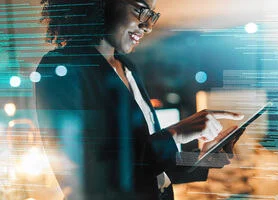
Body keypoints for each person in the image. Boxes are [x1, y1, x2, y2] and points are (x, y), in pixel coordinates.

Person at [36, 0, 244, 199]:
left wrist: (203, 159)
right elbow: (92, 176)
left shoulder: (128, 67)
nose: (148, 26)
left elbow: (146, 164)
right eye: (140, 10)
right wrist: (176, 133)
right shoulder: (62, 68)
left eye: (152, 16)